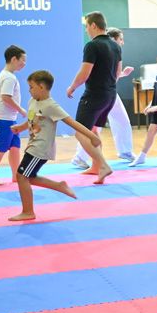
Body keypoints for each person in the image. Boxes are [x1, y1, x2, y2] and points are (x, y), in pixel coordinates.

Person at [8, 71, 99, 222]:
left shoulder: (51, 106)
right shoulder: (32, 101)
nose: (29, 90)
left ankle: (28, 211)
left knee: (21, 176)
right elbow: (31, 119)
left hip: (41, 148)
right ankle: (59, 186)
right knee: (28, 177)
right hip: (32, 145)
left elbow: (72, 122)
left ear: (41, 87)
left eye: (31, 87)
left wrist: (92, 136)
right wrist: (21, 127)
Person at [71, 27, 135, 167]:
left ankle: (125, 151)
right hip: (100, 93)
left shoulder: (113, 50)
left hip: (110, 92)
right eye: (121, 39)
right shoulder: (101, 48)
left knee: (122, 120)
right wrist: (72, 87)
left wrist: (122, 74)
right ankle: (80, 157)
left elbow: (111, 75)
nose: (122, 42)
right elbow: (99, 73)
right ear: (113, 39)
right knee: (92, 128)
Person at [64, 11, 116, 183]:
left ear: (93, 25)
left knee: (80, 133)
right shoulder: (115, 45)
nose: (86, 30)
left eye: (86, 26)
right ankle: (96, 167)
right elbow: (117, 72)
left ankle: (103, 165)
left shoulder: (92, 46)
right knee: (93, 131)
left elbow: (85, 72)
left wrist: (72, 87)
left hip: (94, 95)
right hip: (110, 95)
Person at [0, 45, 27, 186]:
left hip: (8, 118)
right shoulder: (9, 77)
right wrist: (21, 110)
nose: (24, 63)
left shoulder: (8, 75)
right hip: (2, 118)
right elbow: (6, 97)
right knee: (1, 147)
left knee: (15, 146)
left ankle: (16, 176)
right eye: (23, 60)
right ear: (14, 59)